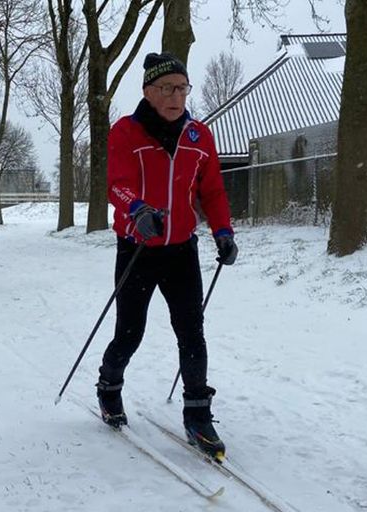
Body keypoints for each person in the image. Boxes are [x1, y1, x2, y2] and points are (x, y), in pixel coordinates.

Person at [96, 51, 238, 461]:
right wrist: (137, 210)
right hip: (138, 248)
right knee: (130, 332)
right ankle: (109, 388)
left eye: (182, 87)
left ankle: (198, 415)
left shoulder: (200, 136)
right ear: (148, 91)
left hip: (180, 251)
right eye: (166, 88)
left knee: (192, 332)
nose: (176, 96)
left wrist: (223, 232)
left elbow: (211, 191)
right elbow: (116, 185)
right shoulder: (126, 132)